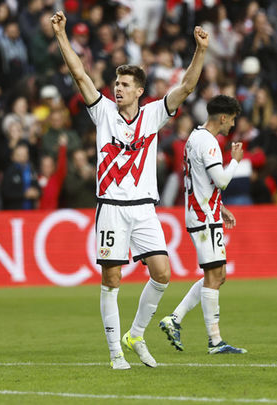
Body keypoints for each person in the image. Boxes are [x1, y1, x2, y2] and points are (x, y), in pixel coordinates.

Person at [51, 10, 208, 369]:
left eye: (124, 85)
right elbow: (79, 74)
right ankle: (115, 353)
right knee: (112, 277)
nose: (117, 88)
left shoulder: (153, 114)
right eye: (116, 84)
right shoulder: (102, 111)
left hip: (144, 209)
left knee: (163, 272)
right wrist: (61, 35)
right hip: (111, 206)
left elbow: (185, 87)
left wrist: (200, 51)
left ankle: (135, 334)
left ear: (139, 91)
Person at [158, 95, 247, 354]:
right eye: (231, 119)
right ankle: (214, 341)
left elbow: (200, 182)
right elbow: (220, 180)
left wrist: (221, 207)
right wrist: (236, 160)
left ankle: (174, 319)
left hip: (205, 211)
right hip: (203, 216)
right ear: (222, 117)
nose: (232, 125)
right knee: (214, 275)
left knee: (218, 275)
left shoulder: (194, 137)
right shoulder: (209, 142)